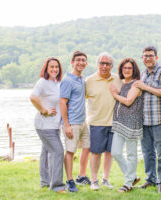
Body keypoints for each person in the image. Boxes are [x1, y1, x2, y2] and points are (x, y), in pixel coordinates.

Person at [134, 46, 161, 193]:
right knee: (147, 153)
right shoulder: (142, 74)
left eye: (151, 55)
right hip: (144, 121)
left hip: (159, 120)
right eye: (145, 56)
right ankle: (150, 180)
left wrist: (145, 86)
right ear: (142, 58)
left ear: (156, 57)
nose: (148, 58)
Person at [85, 52, 122, 190]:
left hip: (114, 123)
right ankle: (94, 181)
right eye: (102, 63)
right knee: (95, 153)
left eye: (108, 64)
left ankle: (105, 179)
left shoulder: (118, 79)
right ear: (97, 64)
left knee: (110, 153)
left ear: (112, 66)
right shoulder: (89, 80)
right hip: (96, 123)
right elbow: (79, 100)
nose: (104, 66)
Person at [30, 57, 66, 194]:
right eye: (51, 67)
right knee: (57, 151)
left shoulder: (56, 83)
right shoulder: (43, 82)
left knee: (46, 153)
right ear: (46, 68)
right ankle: (57, 186)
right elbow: (33, 97)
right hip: (44, 125)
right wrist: (43, 110)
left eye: (56, 67)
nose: (54, 69)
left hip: (53, 125)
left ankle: (45, 182)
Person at [109, 58, 143, 193]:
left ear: (134, 70)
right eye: (124, 68)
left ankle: (128, 183)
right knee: (115, 152)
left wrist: (114, 94)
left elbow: (128, 101)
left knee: (131, 154)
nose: (127, 70)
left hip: (131, 123)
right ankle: (132, 177)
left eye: (129, 68)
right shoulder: (124, 84)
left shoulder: (136, 84)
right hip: (119, 123)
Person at [60, 51, 91, 193]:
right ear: (72, 62)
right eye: (78, 60)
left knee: (88, 147)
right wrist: (66, 125)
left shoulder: (81, 79)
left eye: (83, 60)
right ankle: (69, 180)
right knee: (70, 151)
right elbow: (62, 102)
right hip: (72, 122)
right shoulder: (67, 80)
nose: (81, 62)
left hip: (83, 122)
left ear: (86, 63)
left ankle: (81, 176)